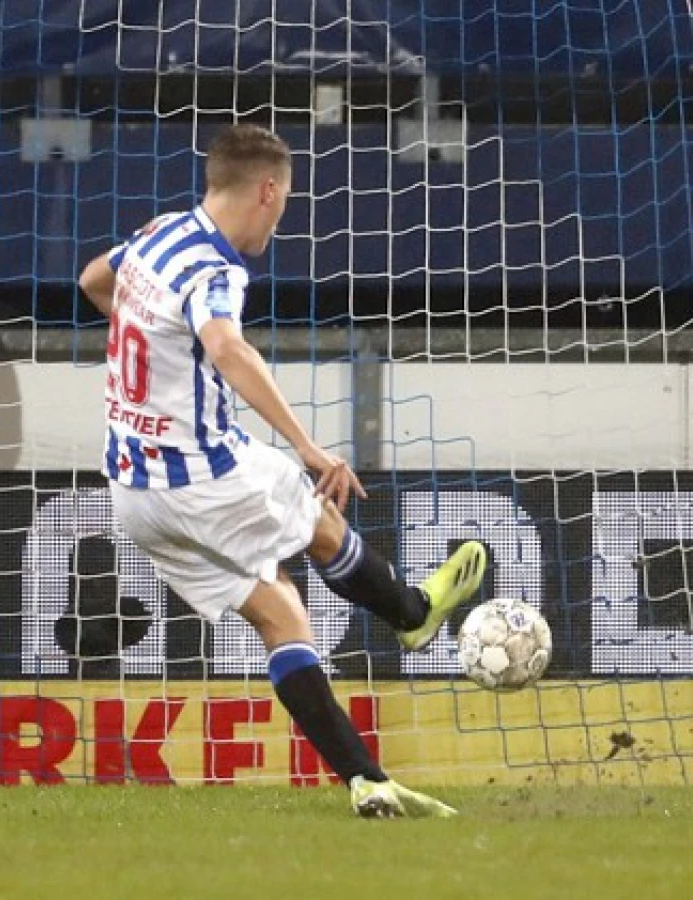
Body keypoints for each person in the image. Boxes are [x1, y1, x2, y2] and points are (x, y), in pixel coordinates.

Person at [79, 124, 484, 817]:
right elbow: (229, 348)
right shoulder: (214, 267)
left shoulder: (158, 233)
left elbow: (92, 280)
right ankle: (412, 615)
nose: (282, 213)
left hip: (133, 494)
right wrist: (308, 446)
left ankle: (366, 780)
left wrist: (152, 342)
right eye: (285, 199)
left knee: (282, 617)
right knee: (321, 519)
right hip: (201, 473)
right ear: (267, 191)